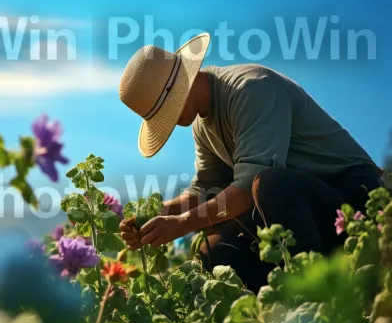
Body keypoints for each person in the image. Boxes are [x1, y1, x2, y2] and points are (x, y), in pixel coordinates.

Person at [117, 33, 383, 292]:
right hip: (298, 215)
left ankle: (321, 292)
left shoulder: (250, 88)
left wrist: (183, 223)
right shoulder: (203, 124)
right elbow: (206, 192)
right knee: (215, 251)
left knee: (271, 184)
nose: (169, 122)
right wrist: (162, 213)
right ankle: (287, 300)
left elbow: (247, 189)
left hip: (356, 199)